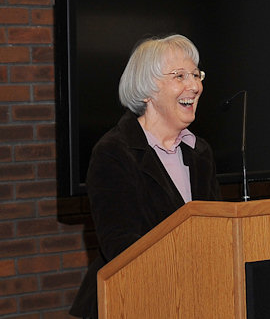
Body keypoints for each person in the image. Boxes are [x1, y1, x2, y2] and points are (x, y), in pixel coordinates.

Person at [70, 34, 220, 319]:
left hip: (194, 300)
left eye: (195, 74)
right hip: (130, 303)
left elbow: (214, 233)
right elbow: (122, 247)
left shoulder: (200, 151)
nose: (195, 86)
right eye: (180, 76)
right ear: (146, 91)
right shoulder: (114, 152)